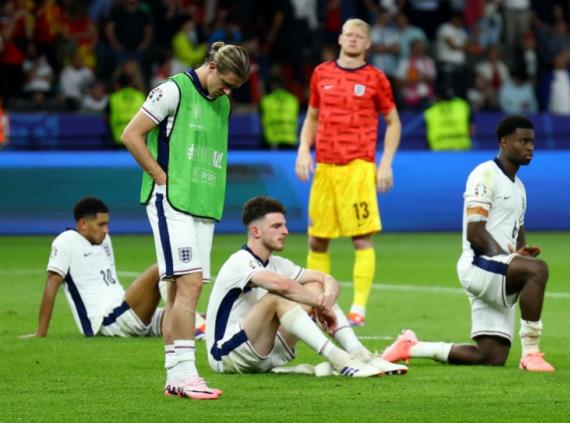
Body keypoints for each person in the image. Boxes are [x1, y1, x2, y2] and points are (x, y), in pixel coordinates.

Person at [121, 42, 250, 400]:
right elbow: (131, 134)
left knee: (181, 290)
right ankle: (188, 373)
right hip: (171, 201)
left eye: (233, 88)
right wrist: (160, 177)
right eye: (225, 82)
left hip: (202, 203)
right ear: (211, 66)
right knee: (190, 284)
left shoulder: (221, 103)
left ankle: (175, 378)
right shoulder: (172, 90)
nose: (227, 92)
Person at [382, 115, 555, 372]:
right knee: (538, 269)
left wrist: (519, 255)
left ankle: (411, 347)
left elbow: (516, 232)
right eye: (523, 141)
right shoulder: (484, 174)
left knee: (490, 356)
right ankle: (531, 353)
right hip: (478, 264)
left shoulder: (519, 187)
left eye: (532, 142)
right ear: (505, 143)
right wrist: (512, 262)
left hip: (496, 267)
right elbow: (475, 233)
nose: (530, 147)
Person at [205, 196, 407, 378]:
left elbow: (327, 278)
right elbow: (282, 286)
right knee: (278, 296)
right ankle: (340, 360)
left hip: (265, 349)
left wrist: (325, 296)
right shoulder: (239, 261)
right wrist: (319, 305)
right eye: (276, 226)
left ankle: (360, 354)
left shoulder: (278, 263)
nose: (285, 231)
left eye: (284, 225)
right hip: (226, 354)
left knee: (314, 285)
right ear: (255, 231)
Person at [295, 18, 402, 327]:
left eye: (360, 36)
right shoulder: (321, 73)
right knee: (317, 241)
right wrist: (304, 149)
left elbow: (393, 122)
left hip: (358, 166)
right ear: (340, 38)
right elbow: (312, 116)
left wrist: (386, 163)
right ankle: (317, 304)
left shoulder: (376, 79)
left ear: (367, 44)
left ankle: (358, 309)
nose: (353, 39)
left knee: (361, 238)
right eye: (348, 34)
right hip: (325, 167)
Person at [19, 197, 164, 338]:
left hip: (126, 309)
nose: (106, 229)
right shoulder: (66, 241)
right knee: (162, 268)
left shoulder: (105, 240)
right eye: (101, 225)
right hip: (108, 320)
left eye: (107, 224)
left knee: (183, 318)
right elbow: (52, 284)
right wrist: (41, 332)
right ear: (82, 224)